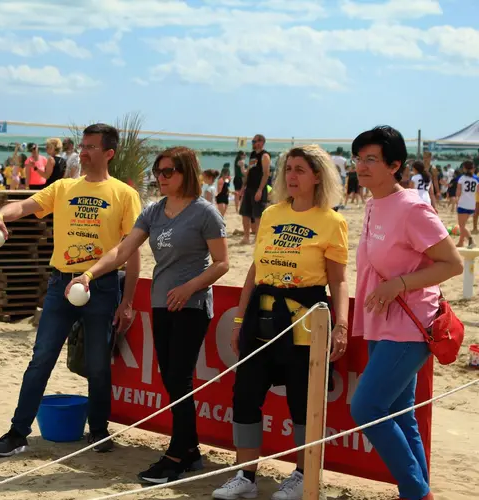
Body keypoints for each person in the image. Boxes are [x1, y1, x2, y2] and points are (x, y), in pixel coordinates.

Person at [67, 146, 229, 484]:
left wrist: (189, 288)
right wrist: (89, 274)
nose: (161, 178)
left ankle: (177, 455)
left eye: (169, 171)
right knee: (170, 377)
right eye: (158, 171)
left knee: (179, 378)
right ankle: (192, 450)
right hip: (160, 303)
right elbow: (123, 250)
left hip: (192, 306)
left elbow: (222, 263)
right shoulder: (154, 212)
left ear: (187, 172)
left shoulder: (205, 213)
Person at [0, 123, 142, 458]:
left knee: (99, 365)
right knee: (41, 359)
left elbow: (131, 252)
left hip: (101, 287)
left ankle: (98, 431)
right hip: (60, 283)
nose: (83, 152)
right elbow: (24, 206)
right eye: (82, 146)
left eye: (91, 147)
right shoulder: (64, 188)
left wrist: (126, 301)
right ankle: (17, 433)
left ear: (109, 153)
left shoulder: (125, 195)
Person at [212, 144, 349, 500]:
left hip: (305, 326)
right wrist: (240, 319)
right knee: (244, 396)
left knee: (302, 405)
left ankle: (303, 476)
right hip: (261, 320)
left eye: (301, 169)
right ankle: (244, 476)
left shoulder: (332, 221)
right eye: (289, 168)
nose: (291, 175)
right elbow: (255, 271)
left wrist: (342, 326)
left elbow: (338, 282)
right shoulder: (272, 214)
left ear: (318, 175)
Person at [349, 126, 463, 500]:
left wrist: (398, 284)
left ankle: (417, 494)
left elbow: (453, 263)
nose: (361, 166)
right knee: (400, 416)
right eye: (358, 158)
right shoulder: (372, 203)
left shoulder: (412, 207)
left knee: (367, 408)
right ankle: (415, 493)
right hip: (381, 322)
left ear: (394, 165)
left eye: (371, 159)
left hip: (411, 326)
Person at [239, 135, 271, 244]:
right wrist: (243, 187)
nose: (253, 143)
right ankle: (246, 237)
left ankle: (258, 238)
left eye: (254, 141)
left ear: (261, 142)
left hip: (259, 189)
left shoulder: (265, 155)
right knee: (245, 213)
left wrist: (260, 190)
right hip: (249, 188)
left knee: (258, 215)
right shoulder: (253, 155)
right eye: (252, 141)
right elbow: (249, 171)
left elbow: (266, 174)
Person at [455, 161, 478, 248]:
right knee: (463, 224)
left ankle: (471, 239)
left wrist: (457, 200)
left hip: (463, 203)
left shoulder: (462, 178)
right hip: (472, 204)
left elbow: (458, 191)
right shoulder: (476, 178)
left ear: (464, 168)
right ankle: (461, 242)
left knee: (461, 225)